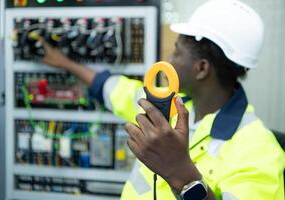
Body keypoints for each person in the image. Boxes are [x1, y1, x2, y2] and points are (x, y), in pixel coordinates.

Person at [41, 0, 285, 199]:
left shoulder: (259, 151)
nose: (168, 59)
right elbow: (115, 89)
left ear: (201, 68)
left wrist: (181, 174)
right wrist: (66, 64)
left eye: (177, 52)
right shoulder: (170, 107)